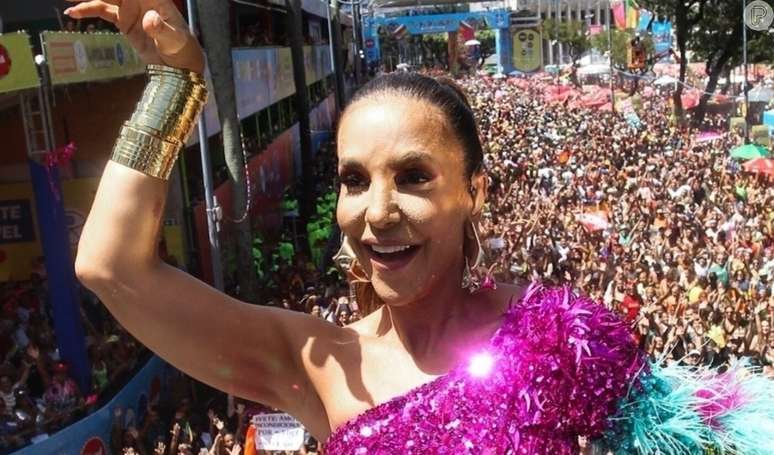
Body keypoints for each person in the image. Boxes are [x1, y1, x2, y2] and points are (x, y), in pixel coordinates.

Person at [66, 0, 773, 453]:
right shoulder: (314, 360)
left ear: (474, 193)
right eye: (354, 179)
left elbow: (711, 434)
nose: (377, 212)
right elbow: (110, 267)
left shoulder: (562, 336)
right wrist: (175, 81)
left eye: (413, 176)